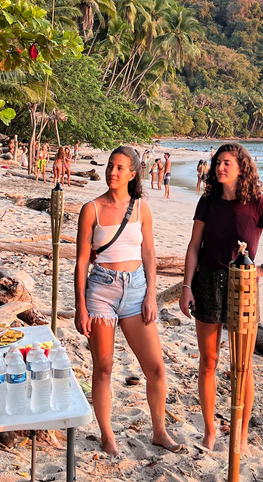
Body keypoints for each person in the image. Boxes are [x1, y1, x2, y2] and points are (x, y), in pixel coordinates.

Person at [179, 143, 263, 452]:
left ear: (242, 168)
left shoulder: (258, 202)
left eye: (227, 163)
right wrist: (186, 286)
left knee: (242, 366)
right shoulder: (208, 201)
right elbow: (193, 246)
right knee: (208, 361)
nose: (220, 167)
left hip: (243, 287)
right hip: (207, 283)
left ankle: (241, 435)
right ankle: (209, 432)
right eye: (218, 162)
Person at [74, 146, 182, 457]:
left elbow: (149, 254)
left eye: (120, 168)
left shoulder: (141, 209)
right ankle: (108, 436)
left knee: (156, 368)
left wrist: (151, 295)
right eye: (111, 165)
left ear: (132, 174)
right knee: (104, 368)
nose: (112, 172)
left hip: (136, 290)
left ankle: (159, 432)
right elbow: (81, 262)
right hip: (101, 291)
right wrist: (81, 306)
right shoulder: (91, 209)